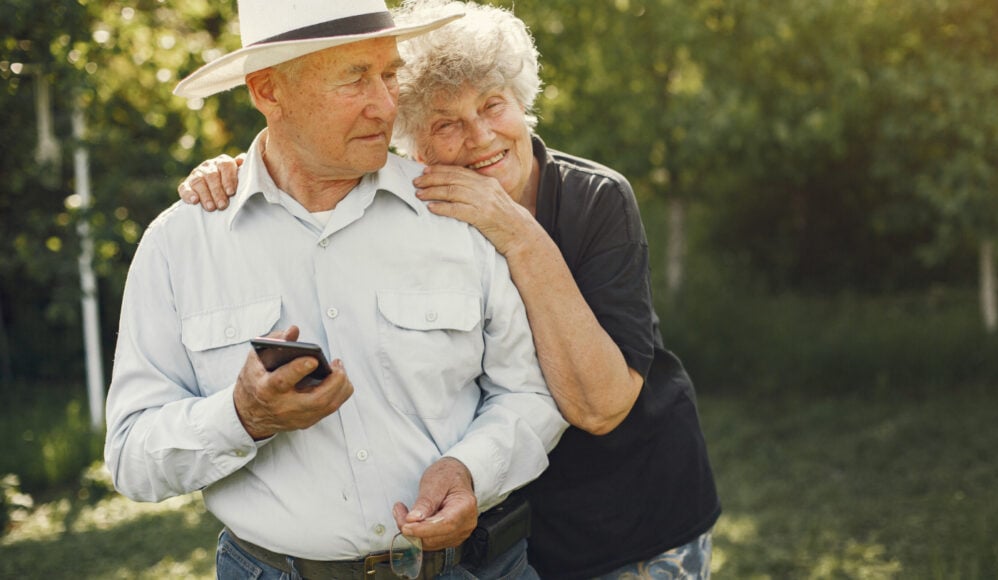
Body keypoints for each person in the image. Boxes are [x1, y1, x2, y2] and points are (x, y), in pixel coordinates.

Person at [178, 1, 721, 578]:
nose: (481, 136)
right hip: (509, 535)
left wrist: (518, 233)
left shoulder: (596, 200)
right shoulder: (422, 209)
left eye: (493, 105)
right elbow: (308, 159)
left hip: (633, 519)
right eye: (446, 123)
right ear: (407, 142)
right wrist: (246, 171)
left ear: (522, 102)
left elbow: (602, 407)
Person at [104, 1, 569, 579]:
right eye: (354, 78)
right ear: (269, 91)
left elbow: (529, 393)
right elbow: (130, 456)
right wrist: (242, 415)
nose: (386, 102)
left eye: (389, 73)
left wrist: (471, 469)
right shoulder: (180, 245)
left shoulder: (456, 211)